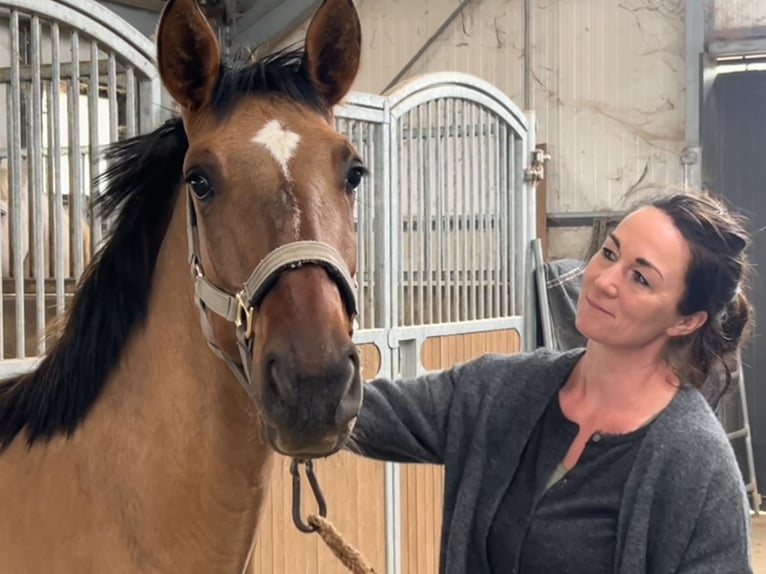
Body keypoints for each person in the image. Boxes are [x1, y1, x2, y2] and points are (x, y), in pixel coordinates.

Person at [347, 191, 754, 573]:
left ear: (686, 320)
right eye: (609, 253)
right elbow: (358, 409)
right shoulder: (502, 390)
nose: (605, 280)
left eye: (640, 279)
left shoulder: (699, 468)